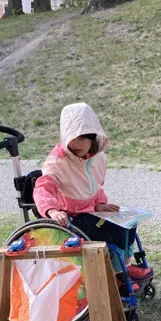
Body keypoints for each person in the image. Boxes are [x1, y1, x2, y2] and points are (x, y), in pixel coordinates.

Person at [32, 103, 152, 284]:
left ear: (93, 137)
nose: (77, 144)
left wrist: (99, 204)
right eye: (72, 139)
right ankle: (117, 274)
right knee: (109, 228)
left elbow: (94, 188)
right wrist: (52, 211)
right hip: (72, 218)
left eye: (82, 138)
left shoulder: (98, 158)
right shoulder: (57, 162)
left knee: (127, 222)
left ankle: (124, 267)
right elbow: (43, 189)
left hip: (92, 211)